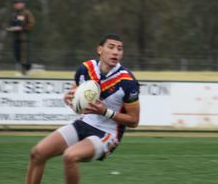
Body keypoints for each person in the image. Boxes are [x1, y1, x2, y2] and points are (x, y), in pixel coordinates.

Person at [25, 33, 140, 184]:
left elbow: (133, 121)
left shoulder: (128, 81)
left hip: (107, 134)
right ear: (100, 49)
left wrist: (105, 112)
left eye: (119, 49)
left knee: (70, 156)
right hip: (84, 124)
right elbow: (76, 95)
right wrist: (70, 98)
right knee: (37, 153)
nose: (115, 52)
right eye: (111, 47)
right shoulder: (86, 68)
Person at [7, 0, 35, 75]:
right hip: (16, 38)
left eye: (18, 4)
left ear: (22, 4)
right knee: (17, 56)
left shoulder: (27, 13)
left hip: (24, 39)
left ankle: (25, 71)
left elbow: (31, 24)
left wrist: (22, 28)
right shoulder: (14, 14)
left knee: (24, 57)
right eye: (15, 4)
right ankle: (28, 69)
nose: (16, 5)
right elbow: (11, 24)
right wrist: (11, 28)